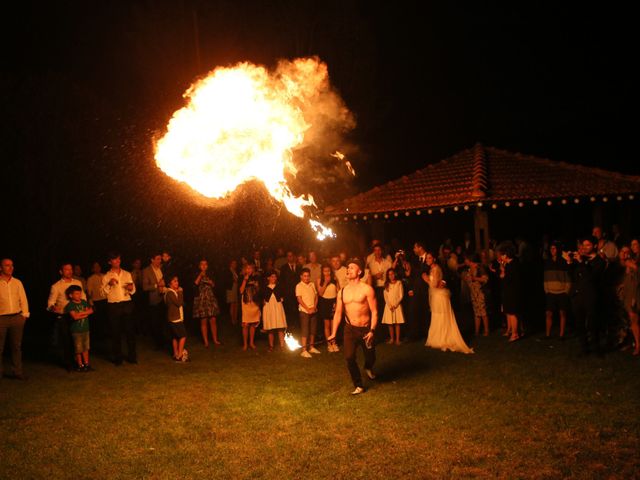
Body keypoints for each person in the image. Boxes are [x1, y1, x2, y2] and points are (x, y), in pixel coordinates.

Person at [328, 258, 378, 395]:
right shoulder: (342, 292)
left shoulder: (367, 289)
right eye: (348, 268)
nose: (348, 269)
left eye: (352, 267)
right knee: (349, 357)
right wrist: (333, 333)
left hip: (366, 329)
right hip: (350, 328)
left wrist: (372, 330)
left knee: (371, 356)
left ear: (359, 271)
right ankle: (359, 385)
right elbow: (338, 313)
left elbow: (374, 312)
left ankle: (368, 366)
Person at [424, 253, 473, 353]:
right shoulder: (432, 269)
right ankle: (437, 338)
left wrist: (426, 279)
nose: (427, 260)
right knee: (437, 316)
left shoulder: (436, 269)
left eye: (429, 258)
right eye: (426, 258)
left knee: (442, 316)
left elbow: (435, 285)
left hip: (440, 296)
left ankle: (444, 338)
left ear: (433, 259)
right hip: (437, 296)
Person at [565, 236, 606, 356]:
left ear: (594, 246)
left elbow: (591, 278)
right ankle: (584, 348)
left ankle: (596, 348)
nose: (584, 247)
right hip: (577, 296)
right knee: (579, 324)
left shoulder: (599, 261)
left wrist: (582, 263)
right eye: (583, 245)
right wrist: (570, 263)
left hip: (591, 296)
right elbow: (573, 277)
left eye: (588, 245)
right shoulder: (581, 259)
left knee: (593, 324)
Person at [47, 262, 86, 371]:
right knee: (67, 341)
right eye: (66, 269)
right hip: (64, 317)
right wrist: (53, 308)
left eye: (70, 269)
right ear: (61, 272)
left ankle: (81, 363)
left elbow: (83, 297)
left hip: (78, 315)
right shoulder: (56, 286)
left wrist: (85, 309)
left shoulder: (78, 282)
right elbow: (50, 303)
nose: (69, 271)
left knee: (79, 339)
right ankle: (69, 364)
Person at [101, 252, 137, 365]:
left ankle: (132, 357)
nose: (117, 261)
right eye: (115, 259)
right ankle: (118, 358)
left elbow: (133, 290)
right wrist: (109, 284)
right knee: (115, 332)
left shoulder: (127, 274)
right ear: (109, 262)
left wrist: (131, 288)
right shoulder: (106, 276)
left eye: (119, 259)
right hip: (114, 305)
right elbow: (102, 294)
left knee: (130, 332)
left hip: (127, 303)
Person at [0, 258, 30, 380]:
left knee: (16, 346)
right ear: (1, 268)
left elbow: (23, 299)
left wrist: (24, 315)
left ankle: (17, 372)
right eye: (7, 265)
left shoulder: (17, 282)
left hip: (17, 317)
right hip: (1, 318)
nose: (11, 267)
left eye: (12, 265)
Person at [543, 243, 571, 339]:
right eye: (551, 248)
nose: (552, 250)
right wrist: (546, 289)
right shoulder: (548, 262)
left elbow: (568, 277)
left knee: (562, 313)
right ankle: (547, 334)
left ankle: (561, 334)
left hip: (562, 291)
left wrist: (566, 290)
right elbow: (545, 277)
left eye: (554, 248)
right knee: (548, 313)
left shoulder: (563, 262)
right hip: (551, 291)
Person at [64, 285, 94, 372]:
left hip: (85, 329)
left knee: (86, 348)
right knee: (78, 349)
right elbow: (75, 317)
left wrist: (80, 313)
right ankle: (80, 365)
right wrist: (85, 313)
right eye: (76, 294)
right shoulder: (70, 305)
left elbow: (91, 311)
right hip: (76, 331)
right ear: (71, 295)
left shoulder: (84, 302)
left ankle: (86, 364)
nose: (79, 295)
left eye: (80, 293)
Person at [497, 242, 523, 342]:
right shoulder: (511, 264)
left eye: (502, 254)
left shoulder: (512, 265)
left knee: (513, 313)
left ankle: (515, 333)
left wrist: (503, 271)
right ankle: (514, 332)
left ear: (506, 255)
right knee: (511, 312)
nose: (501, 257)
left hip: (512, 292)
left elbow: (509, 279)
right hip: (509, 292)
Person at [193, 259, 221, 347]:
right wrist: (200, 275)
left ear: (207, 266)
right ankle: (206, 342)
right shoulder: (197, 274)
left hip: (210, 298)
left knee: (213, 319)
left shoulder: (211, 274)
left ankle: (215, 340)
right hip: (201, 299)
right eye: (202, 264)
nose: (204, 266)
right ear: (199, 266)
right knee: (204, 320)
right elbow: (195, 284)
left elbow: (214, 285)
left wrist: (211, 282)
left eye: (205, 264)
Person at [142, 253, 167, 350]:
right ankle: (158, 343)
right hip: (155, 300)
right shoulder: (146, 271)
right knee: (156, 322)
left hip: (164, 298)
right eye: (157, 259)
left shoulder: (162, 269)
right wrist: (157, 285)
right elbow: (145, 287)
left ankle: (164, 341)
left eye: (160, 259)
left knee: (164, 321)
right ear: (152, 260)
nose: (159, 261)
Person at [463, 253, 490, 336]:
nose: (464, 261)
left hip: (480, 292)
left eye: (466, 259)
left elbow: (485, 279)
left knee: (483, 312)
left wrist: (475, 278)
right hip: (474, 293)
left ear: (470, 259)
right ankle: (477, 331)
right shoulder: (469, 269)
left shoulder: (479, 267)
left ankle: (486, 331)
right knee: (476, 313)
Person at [296, 268, 319, 358]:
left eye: (308, 276)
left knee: (313, 329)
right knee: (305, 330)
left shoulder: (312, 284)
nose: (306, 278)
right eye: (304, 276)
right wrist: (307, 308)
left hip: (313, 310)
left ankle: (311, 347)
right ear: (301, 276)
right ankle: (304, 350)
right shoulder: (299, 286)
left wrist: (314, 307)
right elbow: (299, 299)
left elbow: (316, 296)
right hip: (304, 311)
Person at [165, 275, 188, 362]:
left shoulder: (172, 292)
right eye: (174, 281)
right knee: (183, 335)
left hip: (174, 318)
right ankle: (179, 355)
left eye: (177, 281)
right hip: (175, 318)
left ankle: (175, 353)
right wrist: (180, 292)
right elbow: (179, 303)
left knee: (175, 336)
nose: (177, 283)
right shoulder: (170, 293)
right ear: (169, 283)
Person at [262, 271, 287, 351]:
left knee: (280, 327)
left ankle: (282, 345)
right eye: (272, 276)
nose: (274, 278)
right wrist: (263, 301)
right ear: (268, 278)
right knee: (270, 327)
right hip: (269, 307)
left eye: (275, 277)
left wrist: (282, 298)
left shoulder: (279, 286)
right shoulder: (265, 287)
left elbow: (284, 295)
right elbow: (261, 296)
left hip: (277, 307)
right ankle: (271, 346)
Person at [317, 264, 339, 352]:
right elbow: (320, 293)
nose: (327, 273)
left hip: (333, 302)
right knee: (327, 325)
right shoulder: (319, 280)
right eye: (325, 271)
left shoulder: (334, 279)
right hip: (324, 303)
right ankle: (329, 344)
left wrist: (337, 303)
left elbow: (338, 292)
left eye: (328, 271)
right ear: (322, 272)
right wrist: (326, 282)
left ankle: (334, 343)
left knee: (334, 325)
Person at [239, 263, 261, 350]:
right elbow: (241, 291)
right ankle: (245, 344)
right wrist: (245, 280)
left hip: (254, 302)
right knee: (245, 324)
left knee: (253, 323)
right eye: (247, 268)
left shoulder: (256, 277)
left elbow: (259, 289)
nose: (249, 270)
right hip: (246, 302)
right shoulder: (242, 277)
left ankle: (251, 343)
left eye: (250, 268)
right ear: (245, 269)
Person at [86, 261, 108, 351]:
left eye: (98, 266)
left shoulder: (105, 276)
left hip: (106, 300)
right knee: (98, 320)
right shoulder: (91, 279)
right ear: (92, 269)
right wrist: (91, 303)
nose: (97, 268)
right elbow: (89, 292)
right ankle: (99, 338)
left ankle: (106, 336)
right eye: (95, 267)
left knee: (106, 319)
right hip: (97, 301)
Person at [279, 251, 301, 329]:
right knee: (289, 314)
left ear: (294, 256)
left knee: (297, 314)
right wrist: (282, 295)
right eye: (288, 256)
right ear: (286, 257)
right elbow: (281, 282)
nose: (290, 257)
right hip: (287, 295)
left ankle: (297, 330)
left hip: (298, 294)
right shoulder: (283, 268)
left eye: (291, 256)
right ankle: (289, 330)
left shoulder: (299, 267)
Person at [382, 268, 404, 345]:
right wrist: (389, 305)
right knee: (390, 323)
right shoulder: (386, 284)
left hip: (396, 306)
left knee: (397, 323)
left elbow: (401, 295)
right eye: (389, 275)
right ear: (388, 276)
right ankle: (392, 339)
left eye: (392, 274)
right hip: (389, 306)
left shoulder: (399, 283)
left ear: (395, 274)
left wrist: (396, 304)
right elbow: (385, 296)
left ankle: (397, 340)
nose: (391, 276)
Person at [223, 259, 240, 326]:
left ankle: (235, 319)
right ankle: (232, 319)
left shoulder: (236, 271)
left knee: (236, 303)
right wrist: (233, 280)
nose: (234, 265)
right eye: (233, 263)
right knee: (232, 304)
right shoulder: (228, 271)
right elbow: (226, 280)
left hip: (236, 288)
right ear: (230, 264)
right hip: (231, 288)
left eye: (235, 263)